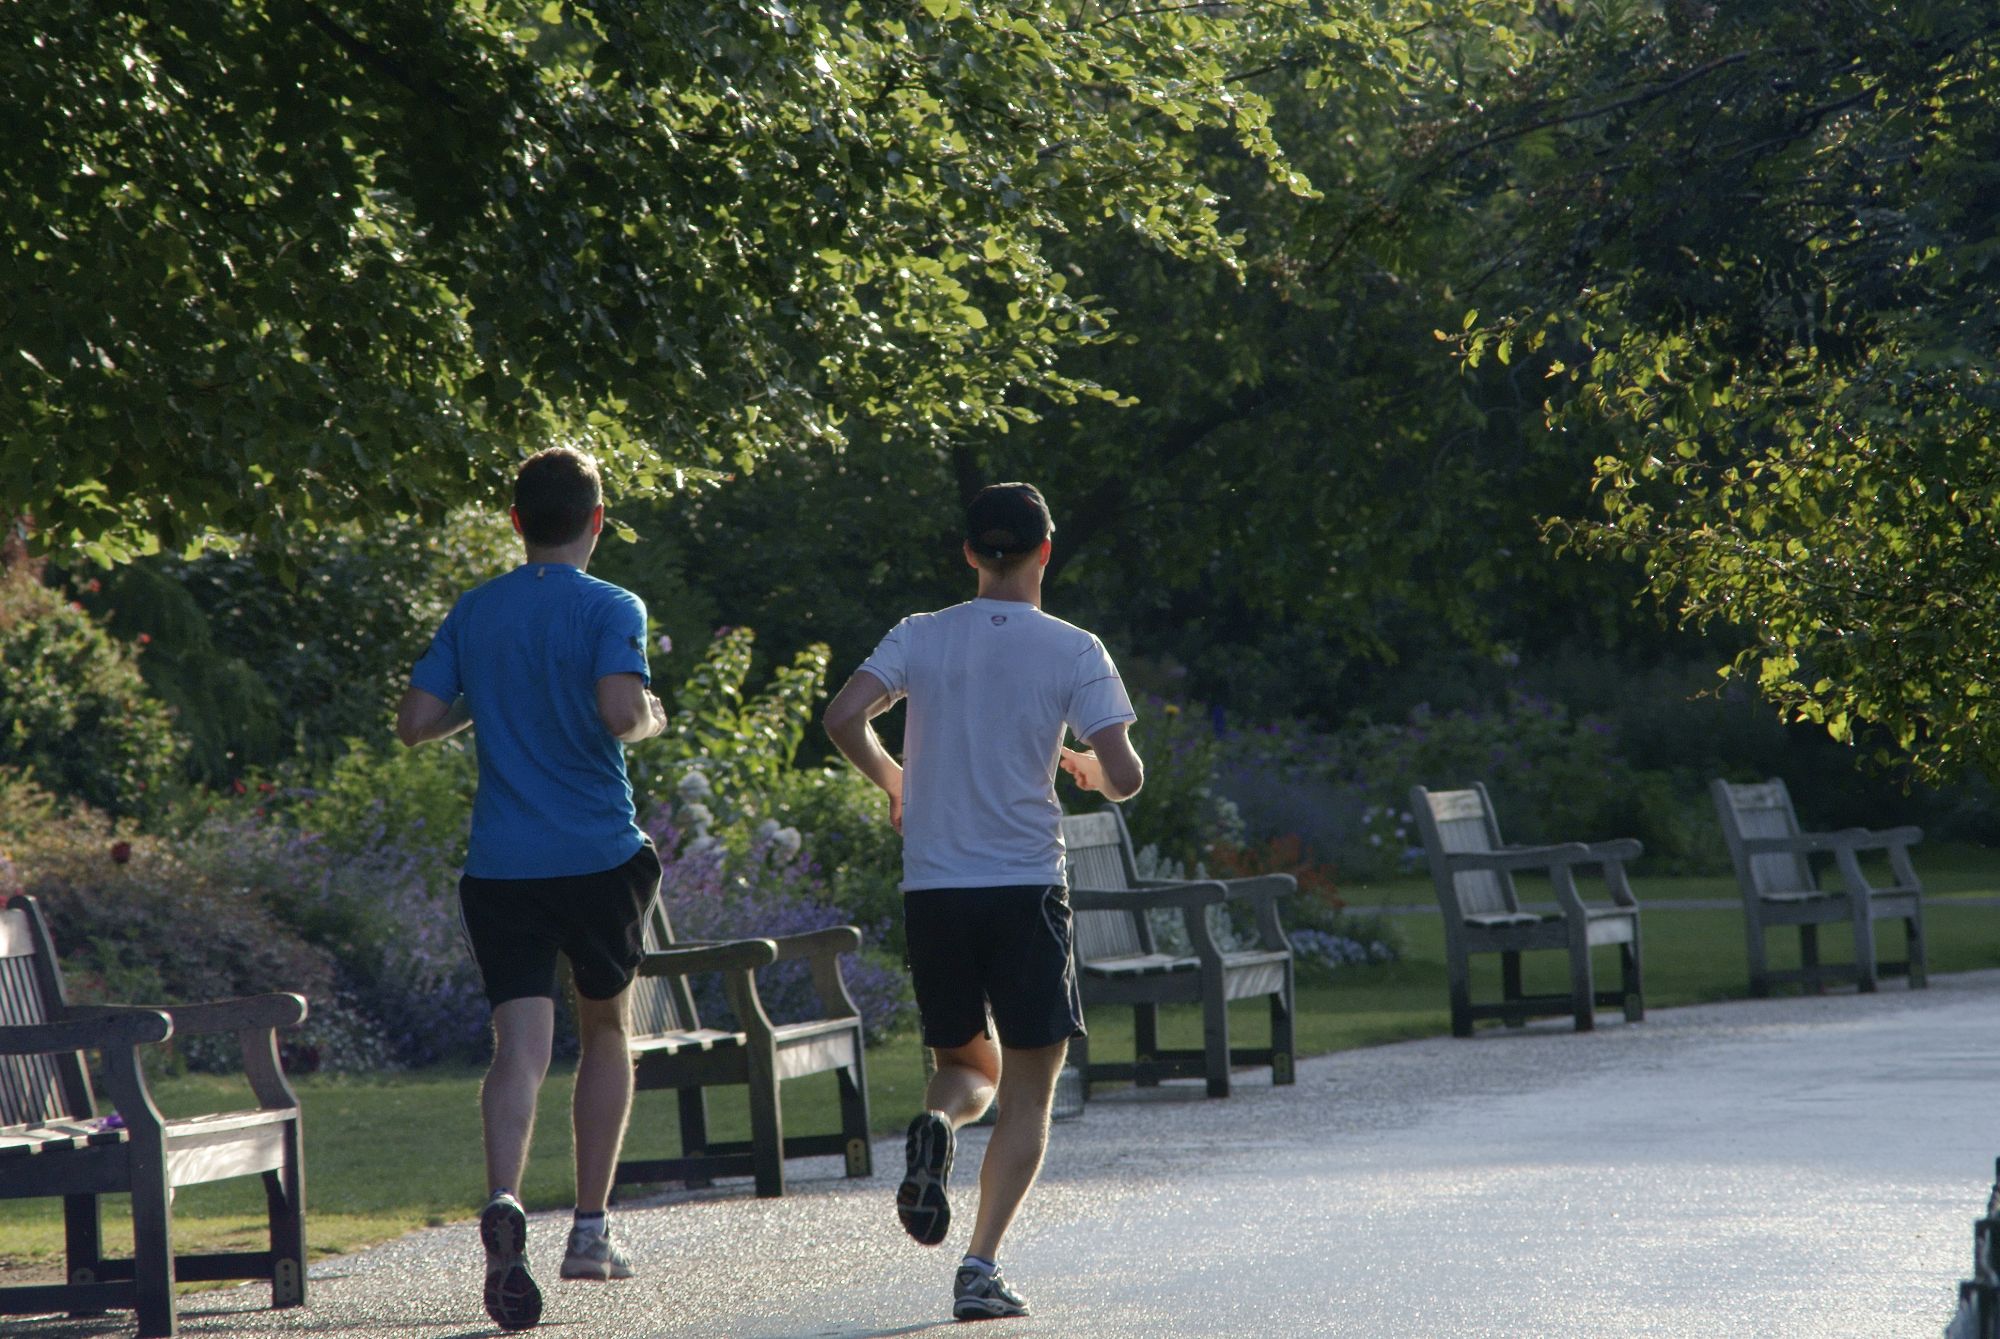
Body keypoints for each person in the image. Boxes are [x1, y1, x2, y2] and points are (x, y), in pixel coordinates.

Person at [823, 481, 1144, 1322]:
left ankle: (939, 1123)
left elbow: (844, 713)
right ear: (1045, 551)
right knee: (1031, 1091)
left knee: (965, 1067)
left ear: (970, 553)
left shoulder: (920, 635)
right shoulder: (1075, 648)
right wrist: (1088, 766)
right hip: (1027, 885)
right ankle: (979, 1266)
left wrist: (896, 778)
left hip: (937, 889)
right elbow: (1129, 774)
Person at [396, 446, 667, 1333]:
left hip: (502, 865)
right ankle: (588, 1232)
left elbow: (417, 722)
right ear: (596, 520)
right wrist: (652, 713)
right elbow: (624, 714)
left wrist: (494, 691)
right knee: (604, 1031)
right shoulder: (612, 606)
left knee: (518, 1047)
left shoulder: (476, 611)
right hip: (596, 856)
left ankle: (506, 1196)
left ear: (516, 522)